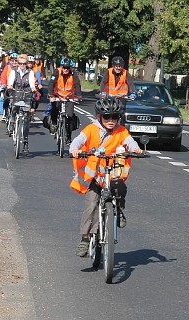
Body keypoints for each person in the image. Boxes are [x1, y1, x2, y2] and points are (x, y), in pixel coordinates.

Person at [69, 97, 143, 257]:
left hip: (114, 169)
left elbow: (130, 142)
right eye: (107, 117)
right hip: (96, 174)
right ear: (99, 117)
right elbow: (77, 141)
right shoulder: (90, 129)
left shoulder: (122, 131)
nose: (111, 120)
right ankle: (85, 238)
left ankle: (119, 209)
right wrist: (74, 149)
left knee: (120, 185)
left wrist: (135, 149)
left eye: (114, 117)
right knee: (91, 204)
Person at [6, 54, 38, 152]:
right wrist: (10, 86)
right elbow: (10, 81)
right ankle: (11, 122)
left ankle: (25, 142)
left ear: (27, 63)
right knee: (14, 107)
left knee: (26, 120)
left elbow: (32, 83)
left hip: (26, 95)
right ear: (18, 63)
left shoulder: (30, 72)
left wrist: (33, 88)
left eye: (24, 63)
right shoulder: (14, 71)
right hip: (16, 93)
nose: (22, 65)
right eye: (20, 63)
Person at [47, 57, 81, 143]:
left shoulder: (73, 74)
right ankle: (54, 124)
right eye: (64, 67)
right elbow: (51, 83)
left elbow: (77, 85)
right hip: (57, 95)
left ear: (70, 68)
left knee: (69, 116)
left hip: (70, 97)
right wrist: (51, 95)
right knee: (54, 109)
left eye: (67, 68)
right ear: (61, 67)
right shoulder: (56, 72)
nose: (66, 69)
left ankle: (68, 137)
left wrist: (79, 96)